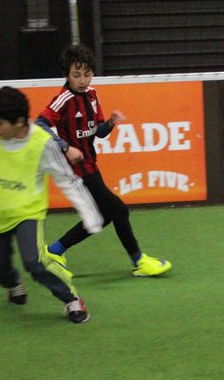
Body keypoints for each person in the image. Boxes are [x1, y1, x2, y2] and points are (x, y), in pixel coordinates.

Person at [0, 86, 103, 324]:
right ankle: (14, 283)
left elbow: (67, 180)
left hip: (27, 211)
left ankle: (71, 298)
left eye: (0, 123)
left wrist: (89, 215)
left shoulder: (42, 143)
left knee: (35, 262)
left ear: (20, 122)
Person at [35, 43, 171, 278]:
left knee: (103, 215)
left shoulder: (92, 95)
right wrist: (65, 147)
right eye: (76, 75)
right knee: (118, 208)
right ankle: (139, 261)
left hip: (90, 165)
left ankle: (54, 251)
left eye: (87, 74)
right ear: (67, 75)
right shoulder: (63, 99)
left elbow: (98, 132)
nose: (83, 80)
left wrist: (110, 123)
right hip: (74, 169)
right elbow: (39, 125)